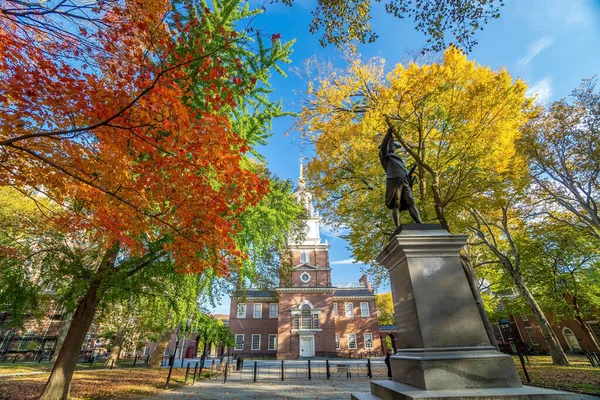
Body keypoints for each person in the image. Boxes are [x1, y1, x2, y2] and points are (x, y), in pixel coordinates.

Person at [379, 126, 422, 225]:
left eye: (394, 145)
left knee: (411, 202)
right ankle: (397, 226)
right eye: (392, 145)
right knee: (396, 203)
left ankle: (420, 223)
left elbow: (404, 172)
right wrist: (388, 134)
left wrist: (412, 170)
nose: (393, 147)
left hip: (404, 180)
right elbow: (383, 146)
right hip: (394, 181)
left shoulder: (398, 159)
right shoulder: (385, 156)